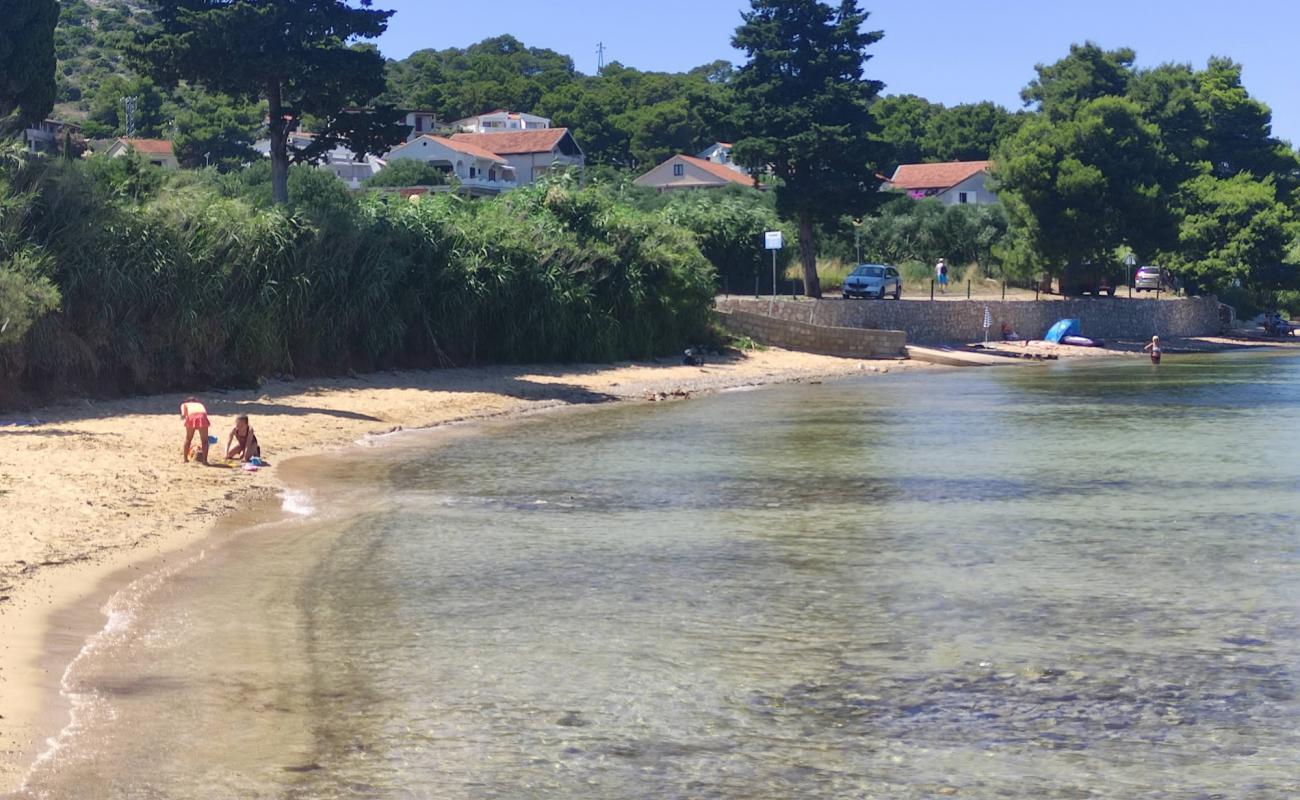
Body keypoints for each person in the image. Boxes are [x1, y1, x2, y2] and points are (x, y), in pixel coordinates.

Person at [179, 397, 211, 463]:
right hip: (202, 417)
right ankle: (205, 460)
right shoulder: (200, 404)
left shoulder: (185, 404)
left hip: (191, 417)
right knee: (205, 441)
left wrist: (183, 417)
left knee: (188, 439)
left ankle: (185, 459)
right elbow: (204, 412)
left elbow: (183, 414)